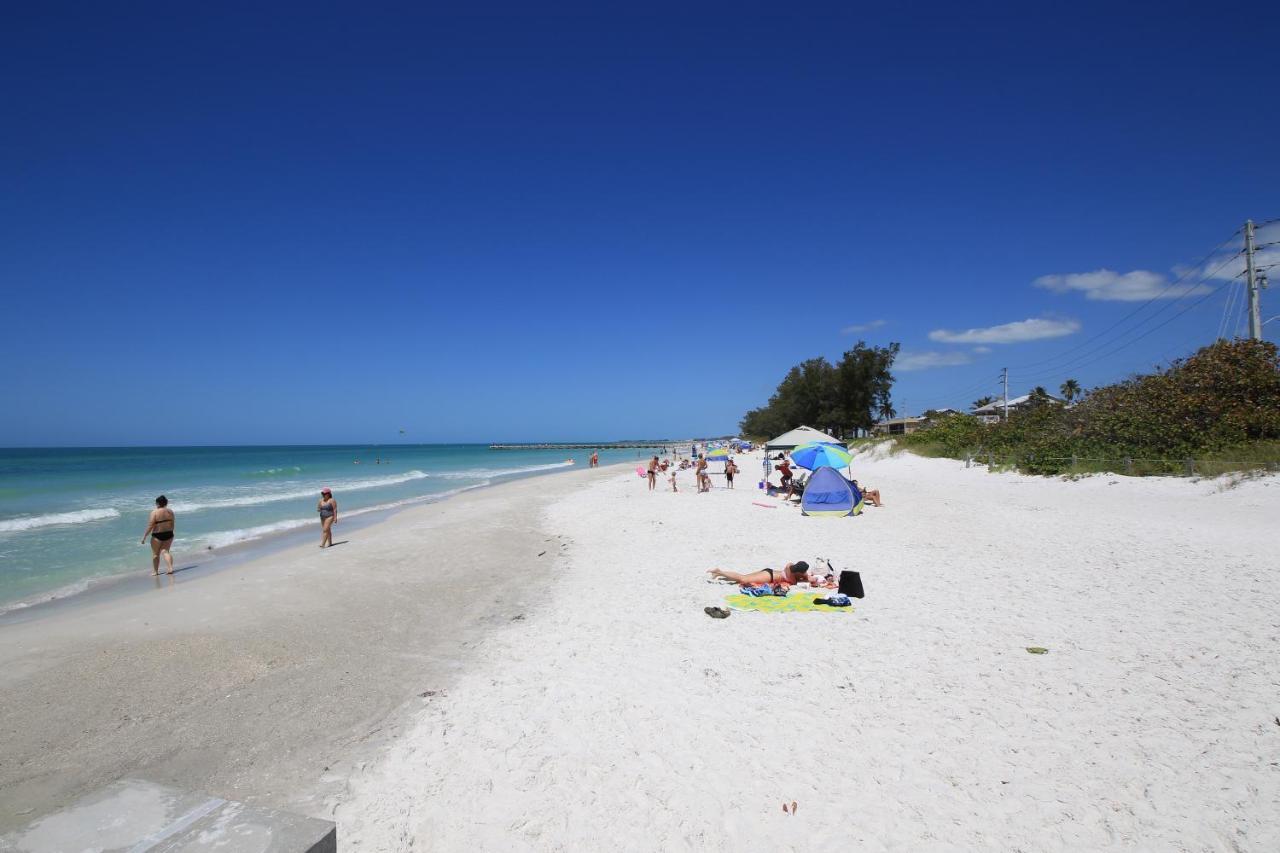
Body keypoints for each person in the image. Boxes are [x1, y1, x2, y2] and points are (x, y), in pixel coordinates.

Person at [141, 495, 176, 575]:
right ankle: (170, 567)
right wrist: (171, 532)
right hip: (169, 534)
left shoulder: (154, 512)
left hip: (157, 535)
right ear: (166, 503)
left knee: (155, 554)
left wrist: (144, 536)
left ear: (157, 503)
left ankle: (155, 572)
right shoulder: (170, 511)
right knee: (165, 551)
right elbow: (172, 524)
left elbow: (151, 525)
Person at [707, 561, 811, 586]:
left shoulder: (790, 566)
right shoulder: (792, 577)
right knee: (743, 579)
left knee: (743, 577)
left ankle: (720, 574)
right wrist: (805, 577)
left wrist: (804, 575)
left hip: (768, 571)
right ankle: (719, 571)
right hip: (768, 577)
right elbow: (796, 582)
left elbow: (804, 576)